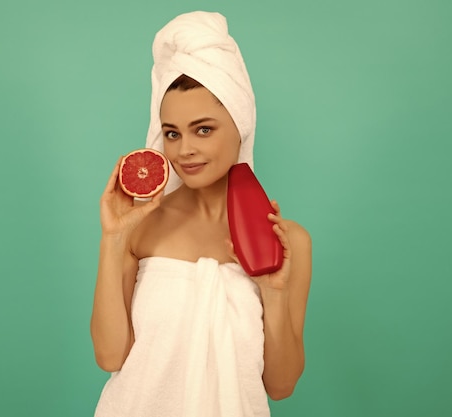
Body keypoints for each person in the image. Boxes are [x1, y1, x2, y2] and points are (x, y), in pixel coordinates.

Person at [91, 11, 312, 417]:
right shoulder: (142, 228)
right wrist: (113, 240)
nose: (183, 149)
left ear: (240, 126)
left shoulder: (284, 240)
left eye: (204, 129)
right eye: (172, 132)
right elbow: (109, 356)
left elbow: (280, 386)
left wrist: (273, 294)